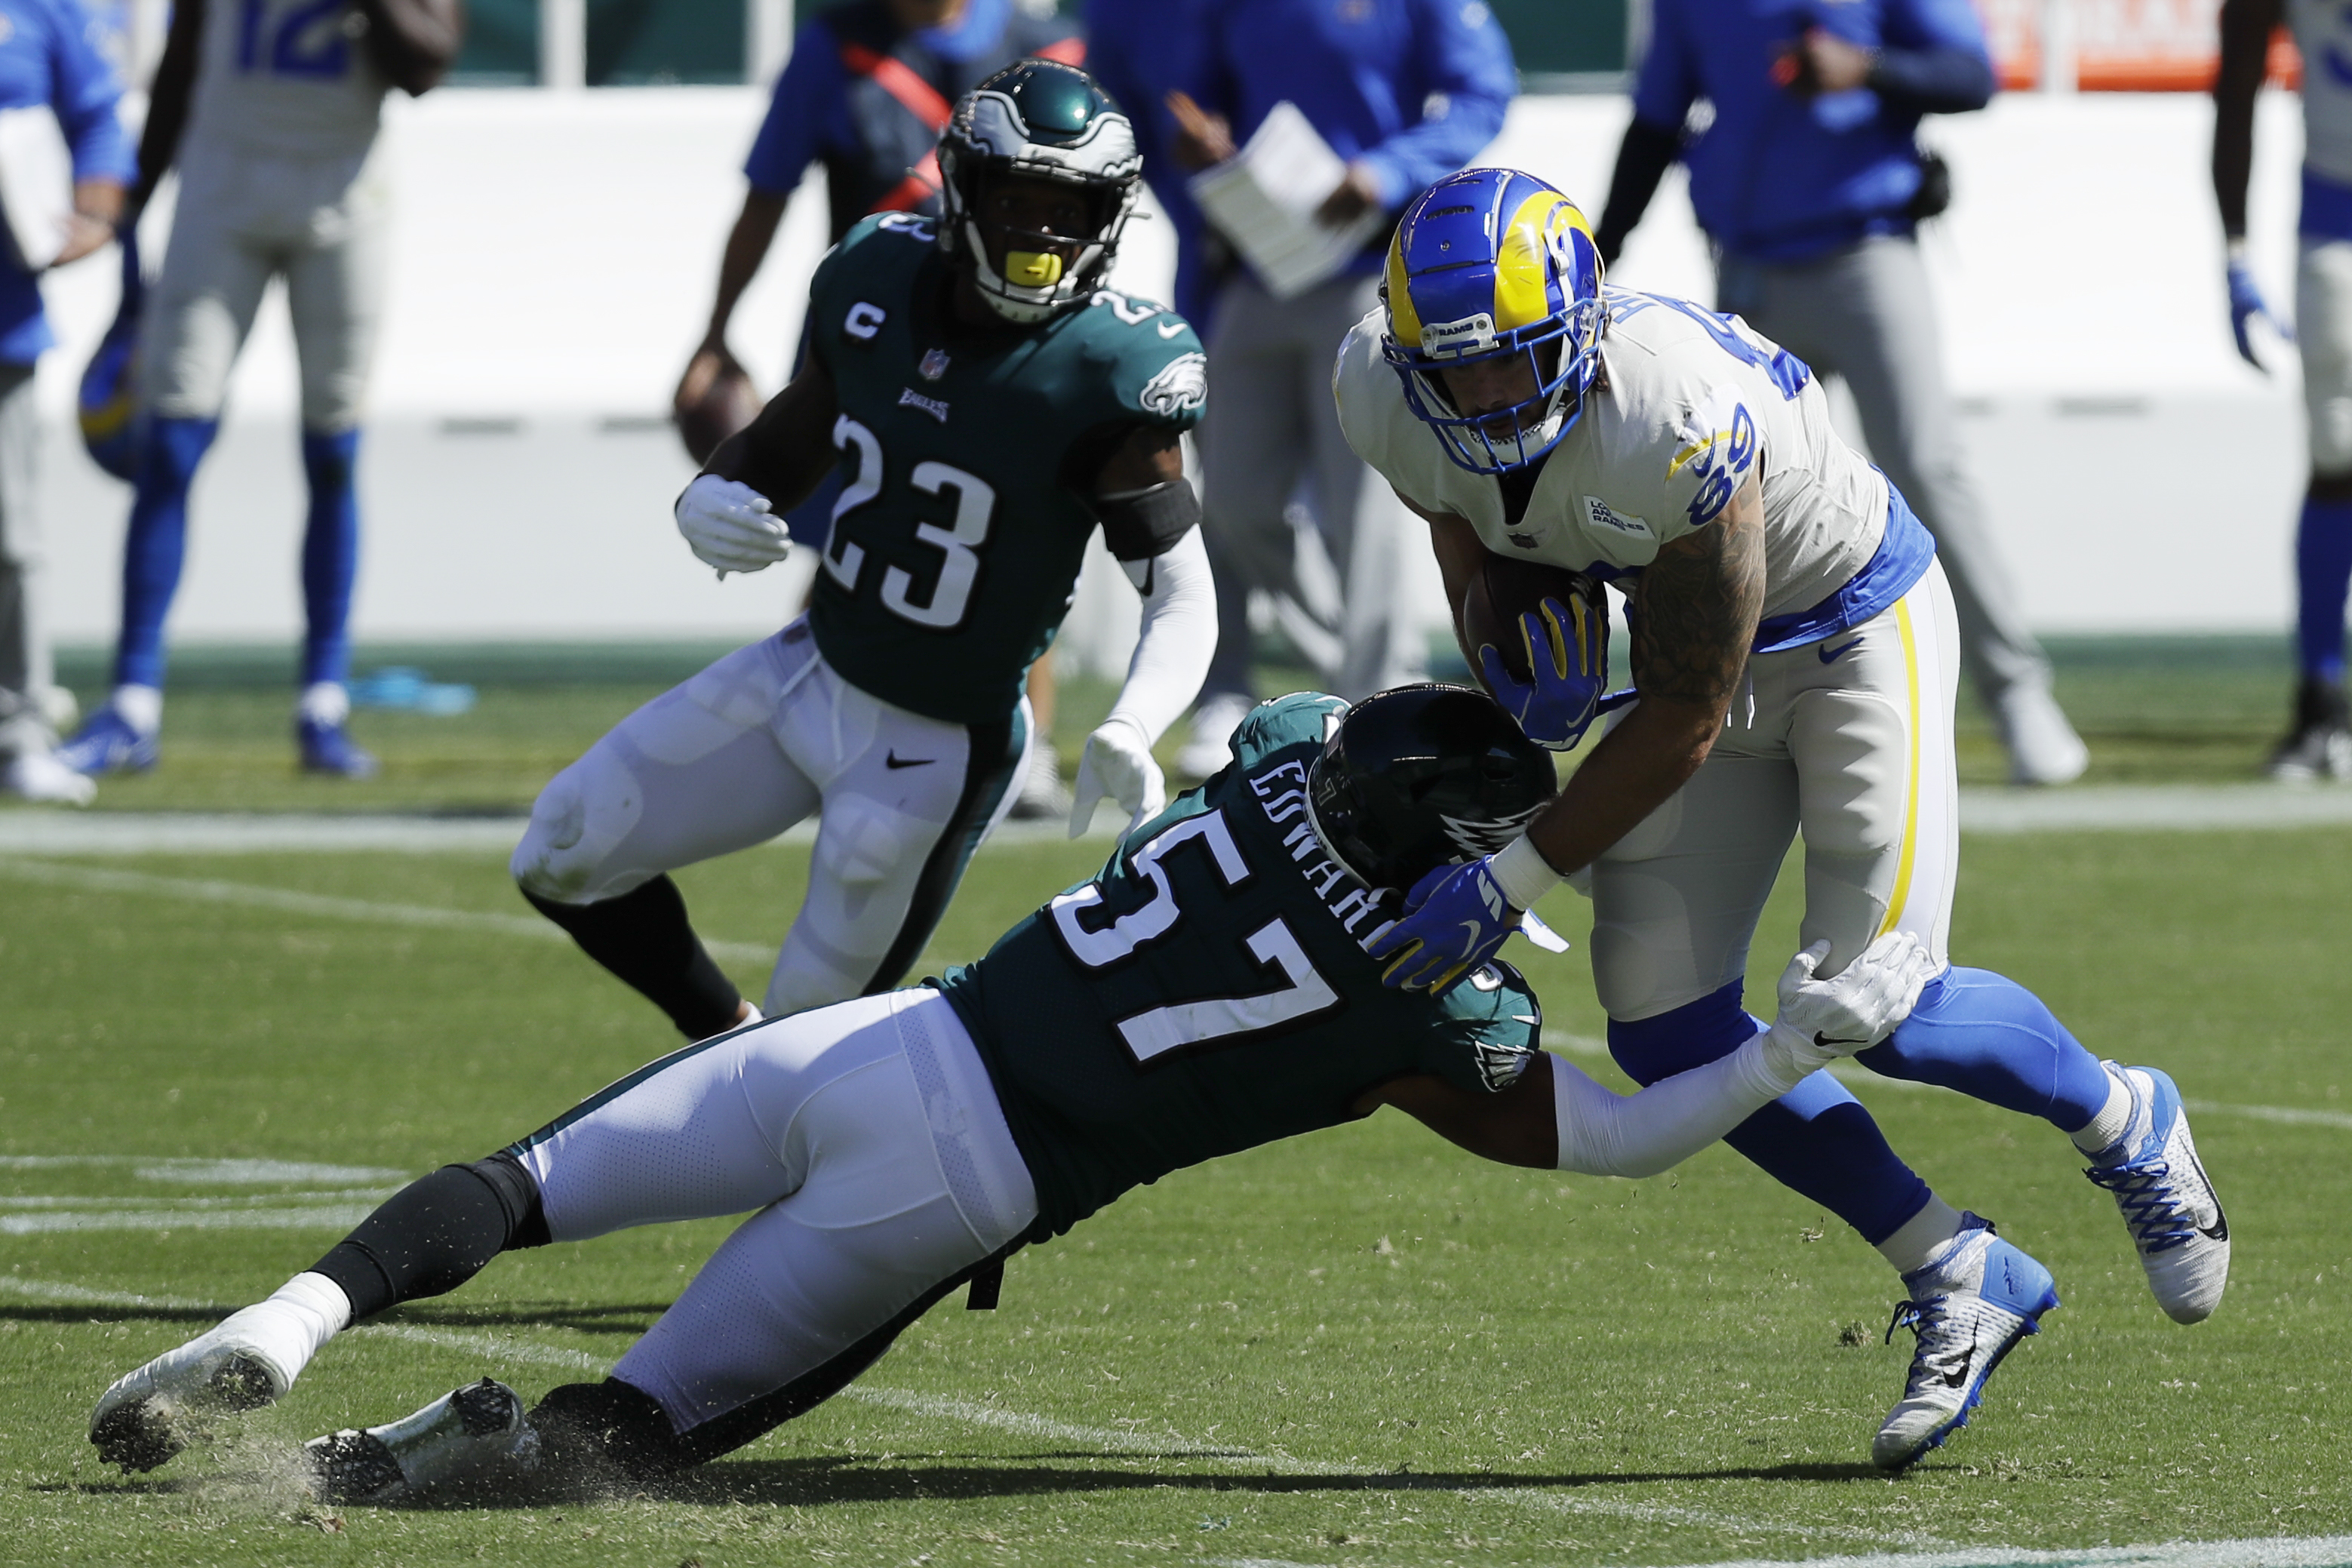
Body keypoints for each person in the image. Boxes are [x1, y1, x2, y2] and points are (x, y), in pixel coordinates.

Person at [86, 684, 1940, 1495]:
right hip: (959, 1185)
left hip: (886, 1040)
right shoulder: (1425, 1005)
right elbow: (1615, 1132)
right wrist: (1790, 1039)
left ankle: (294, 1310)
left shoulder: (1286, 752)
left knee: (513, 1181)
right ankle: (378, 1470)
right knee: (636, 1432)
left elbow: (1308, 733)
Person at [1338, 171, 2232, 1470]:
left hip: (1844, 630)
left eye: (1511, 367)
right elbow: (1468, 525)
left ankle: (2123, 1116)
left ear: (1577, 334)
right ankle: (1954, 1267)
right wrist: (1502, 636)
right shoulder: (1380, 384)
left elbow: (1692, 714)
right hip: (1688, 654)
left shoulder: (1675, 415)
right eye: (1454, 376)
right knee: (1663, 1027)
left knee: (1882, 1002)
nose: (1483, 401)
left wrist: (1511, 876)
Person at [515, 62, 1216, 1036]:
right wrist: (715, 489)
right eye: (1016, 200)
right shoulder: (877, 273)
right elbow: (790, 437)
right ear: (962, 190)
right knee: (563, 846)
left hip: (935, 740)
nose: (1040, 238)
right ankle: (718, 1030)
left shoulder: (1111, 369)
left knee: (810, 1039)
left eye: (1070, 209)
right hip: (808, 668)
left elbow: (1180, 588)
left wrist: (1134, 721)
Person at [1589, 0, 2087, 787]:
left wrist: (1869, 69)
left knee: (1927, 468)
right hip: (1747, 269)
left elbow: (1972, 76)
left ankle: (2018, 694)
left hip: (1867, 252)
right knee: (1731, 495)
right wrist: (1599, 249)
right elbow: (1656, 122)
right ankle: (1728, 712)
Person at [675, 0, 1087, 819]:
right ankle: (803, 724)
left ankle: (1027, 744)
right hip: (876, 333)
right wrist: (715, 333)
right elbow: (768, 191)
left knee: (1028, 540)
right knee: (851, 546)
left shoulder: (1049, 48)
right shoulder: (837, 45)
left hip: (1016, 339)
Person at [53, 0, 464, 782]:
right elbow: (181, 65)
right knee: (168, 445)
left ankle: (323, 701)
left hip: (344, 203)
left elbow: (428, 64)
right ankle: (133, 702)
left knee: (333, 453)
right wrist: (134, 214)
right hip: (221, 193)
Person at [1165, 0, 1517, 779]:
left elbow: (1482, 94)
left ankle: (1376, 697)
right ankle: (1357, 674)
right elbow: (1201, 91)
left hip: (1369, 270)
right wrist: (1203, 139)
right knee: (1230, 497)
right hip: (1257, 266)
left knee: (1365, 502)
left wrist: (1384, 170)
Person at [0, 0, 136, 805]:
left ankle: (18, 728)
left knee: (11, 537)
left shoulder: (41, 8)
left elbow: (97, 115)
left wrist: (92, 214)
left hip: (4, 315)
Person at [2215, 0, 2352, 779]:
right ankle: (2321, 693)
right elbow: (2237, 81)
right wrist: (2233, 250)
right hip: (2337, 213)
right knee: (2338, 449)